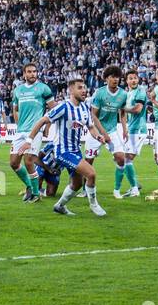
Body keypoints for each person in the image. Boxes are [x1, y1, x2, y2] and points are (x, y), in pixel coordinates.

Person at [31, 77, 107, 217]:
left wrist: (98, 136)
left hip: (76, 150)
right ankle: (94, 205)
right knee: (91, 173)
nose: (84, 90)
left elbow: (91, 127)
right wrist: (29, 140)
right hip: (63, 151)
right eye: (80, 88)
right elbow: (43, 120)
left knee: (77, 184)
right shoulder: (63, 107)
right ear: (71, 90)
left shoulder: (84, 107)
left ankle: (59, 206)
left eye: (84, 87)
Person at [9, 63, 53, 203]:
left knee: (28, 161)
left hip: (35, 132)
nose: (32, 74)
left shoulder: (43, 88)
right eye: (29, 72)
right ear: (24, 74)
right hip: (20, 131)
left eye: (34, 71)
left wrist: (47, 126)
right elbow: (15, 109)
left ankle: (35, 194)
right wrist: (18, 123)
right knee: (14, 163)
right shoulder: (18, 90)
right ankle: (29, 186)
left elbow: (53, 110)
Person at [90, 65, 132, 199]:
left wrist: (125, 129)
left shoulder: (123, 94)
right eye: (112, 77)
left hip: (112, 131)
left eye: (117, 77)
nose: (115, 79)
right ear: (106, 78)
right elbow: (93, 115)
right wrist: (103, 133)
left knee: (121, 158)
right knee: (88, 161)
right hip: (95, 130)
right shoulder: (99, 93)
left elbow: (123, 112)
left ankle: (116, 190)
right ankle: (86, 189)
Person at [117, 69, 147, 197]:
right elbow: (122, 114)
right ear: (127, 80)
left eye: (135, 78)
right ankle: (135, 185)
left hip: (139, 129)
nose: (134, 80)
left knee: (126, 159)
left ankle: (135, 189)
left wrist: (122, 108)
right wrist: (125, 129)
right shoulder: (126, 94)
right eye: (131, 78)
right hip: (132, 130)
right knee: (124, 159)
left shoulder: (140, 91)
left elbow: (138, 109)